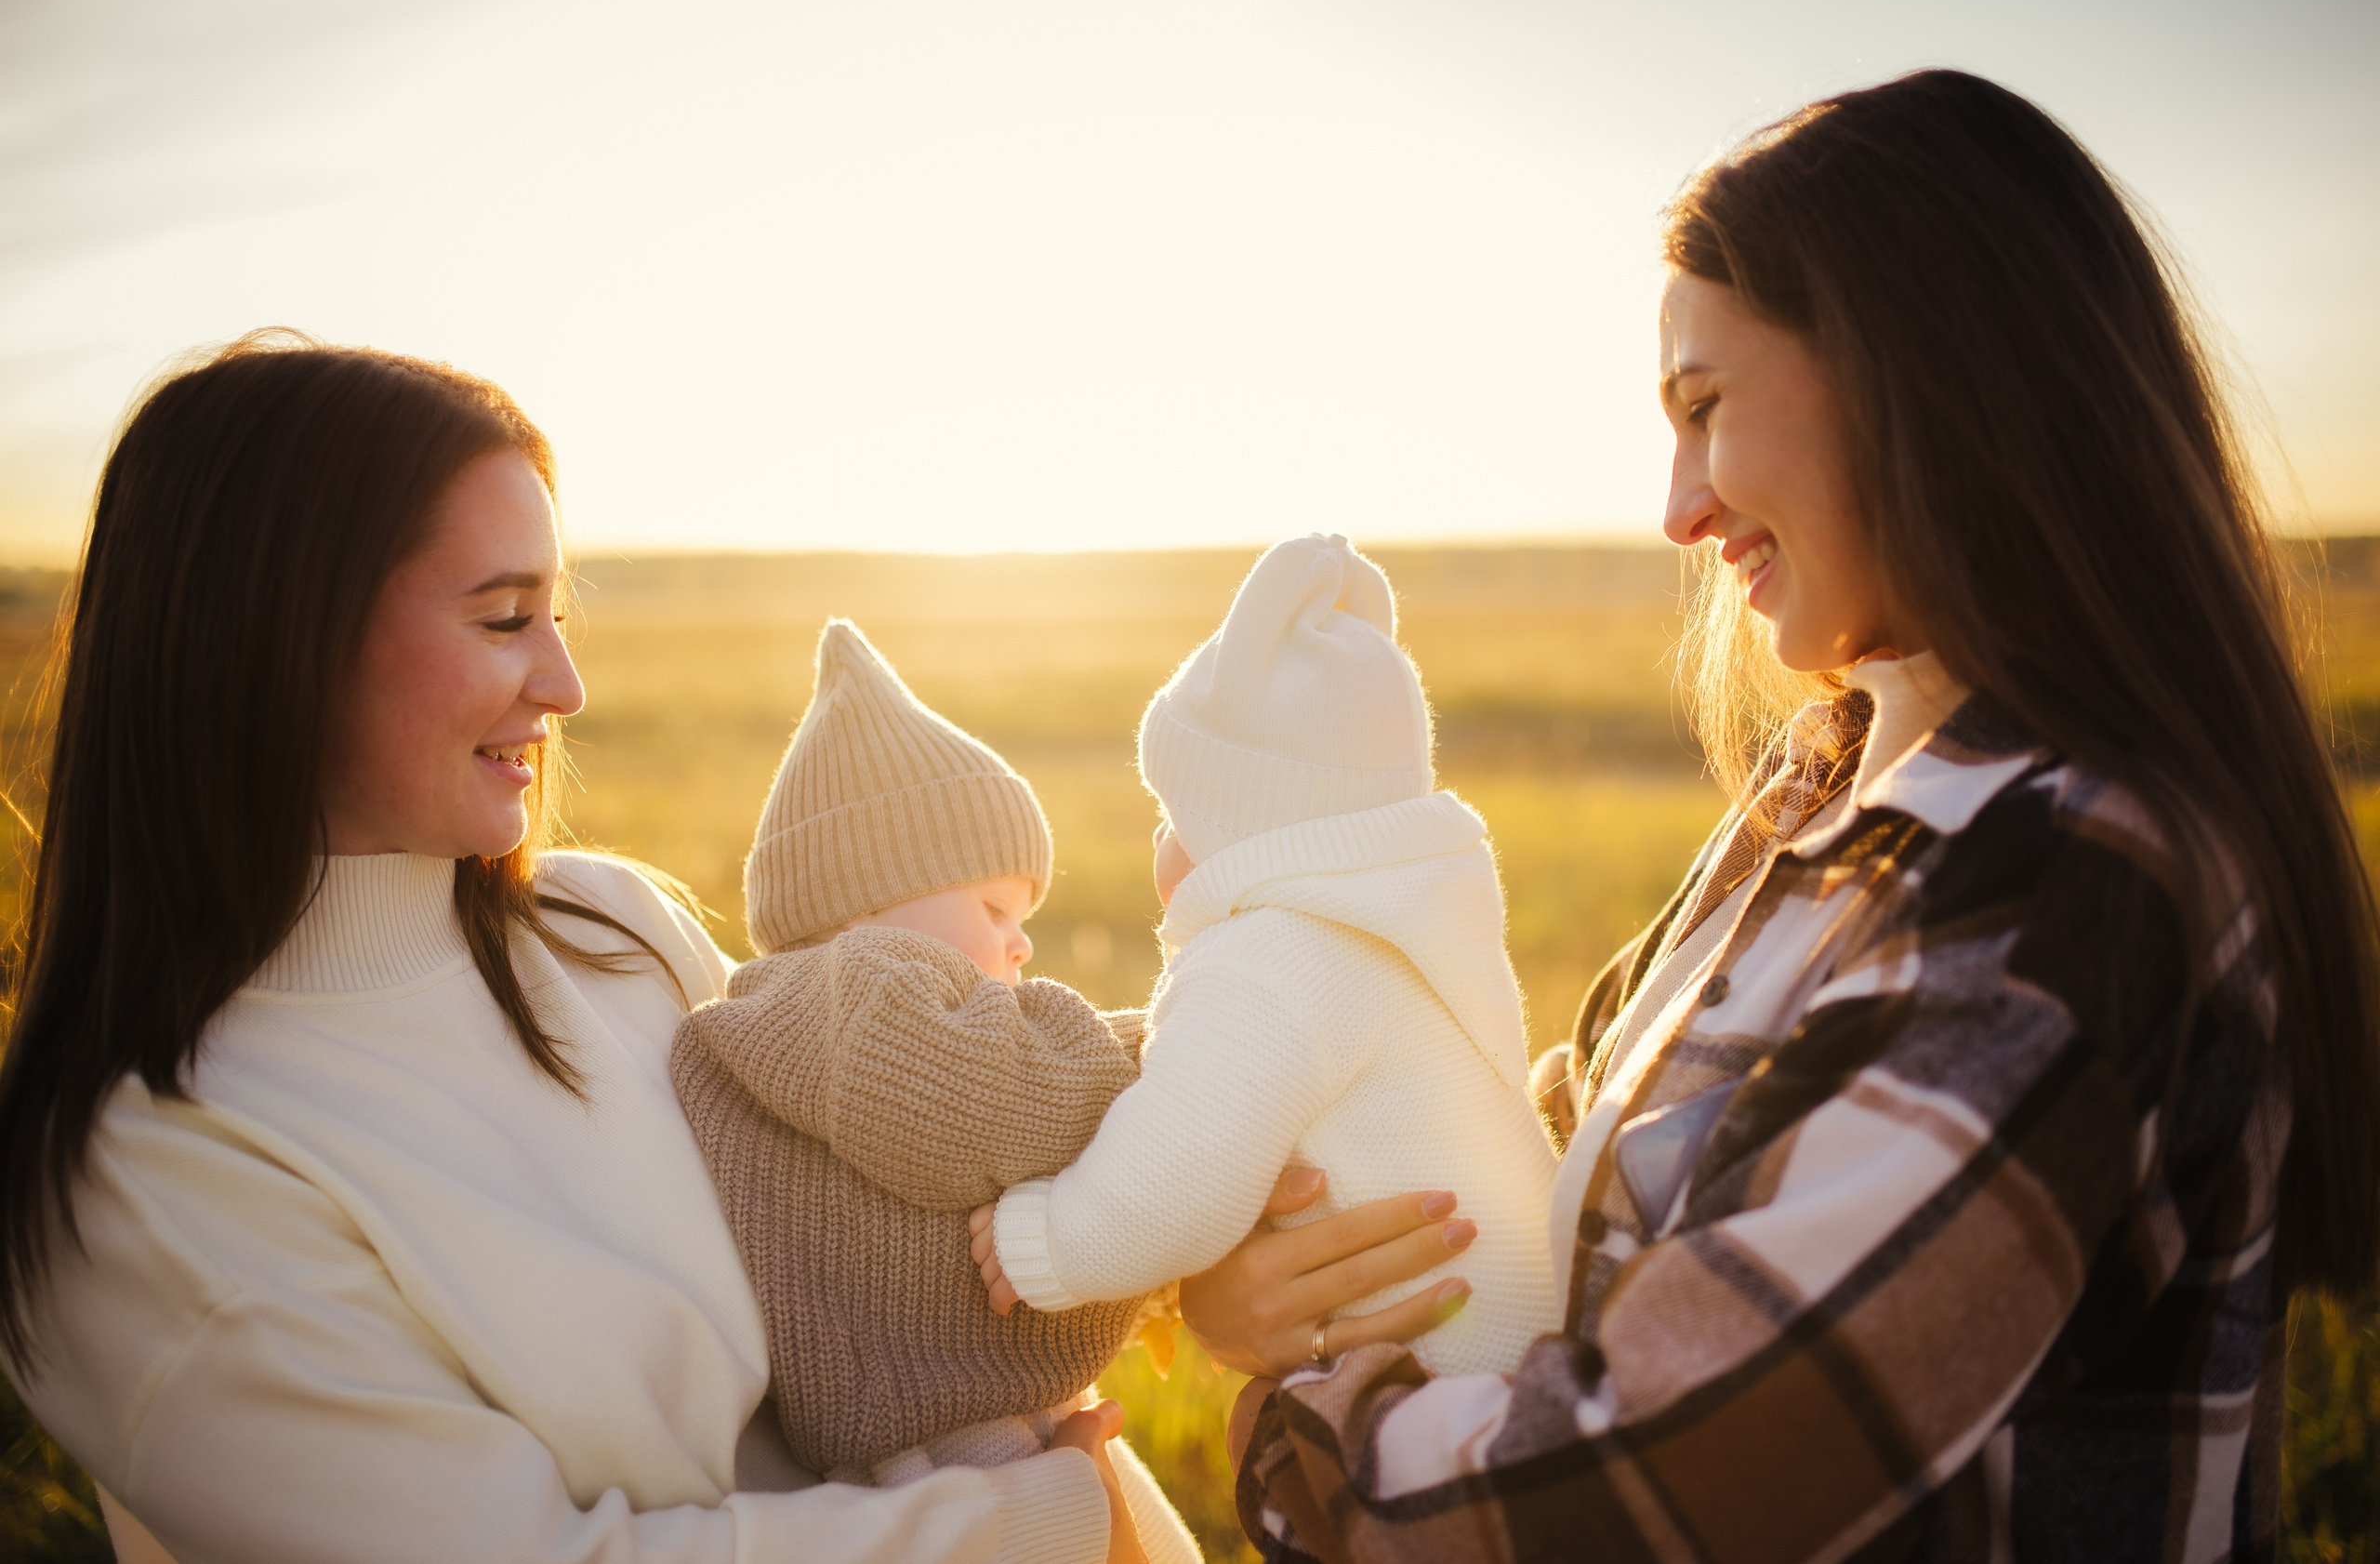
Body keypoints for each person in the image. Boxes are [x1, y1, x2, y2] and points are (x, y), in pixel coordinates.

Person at [1194, 69, 2380, 1561]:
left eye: (1706, 408)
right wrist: (1281, 1228)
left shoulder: (2072, 879)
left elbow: (1685, 1472)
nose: (1680, 511)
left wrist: (1294, 1411)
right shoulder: (1830, 785)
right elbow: (1569, 1153)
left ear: (1920, 377)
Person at [0, 333, 1145, 1564]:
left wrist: (1195, 1230)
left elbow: (905, 1257)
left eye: (558, 611)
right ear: (278, 639)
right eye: (505, 619)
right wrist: (1040, 1520)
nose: (568, 683)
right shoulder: (137, 1184)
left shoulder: (617, 931)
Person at [669, 617, 1199, 1561]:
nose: (1020, 941)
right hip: (941, 1442)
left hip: (950, 1417)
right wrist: (1173, 1049)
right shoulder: (854, 993)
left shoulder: (806, 1021)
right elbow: (1012, 1102)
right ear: (865, 900)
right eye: (993, 907)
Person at [972, 534, 1562, 1378]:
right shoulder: (1400, 934)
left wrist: (1048, 1239)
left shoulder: (1269, 959)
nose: (1161, 838)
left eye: (1175, 812)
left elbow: (1175, 1176)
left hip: (1450, 1389)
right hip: (1521, 1348)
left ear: (1238, 824)